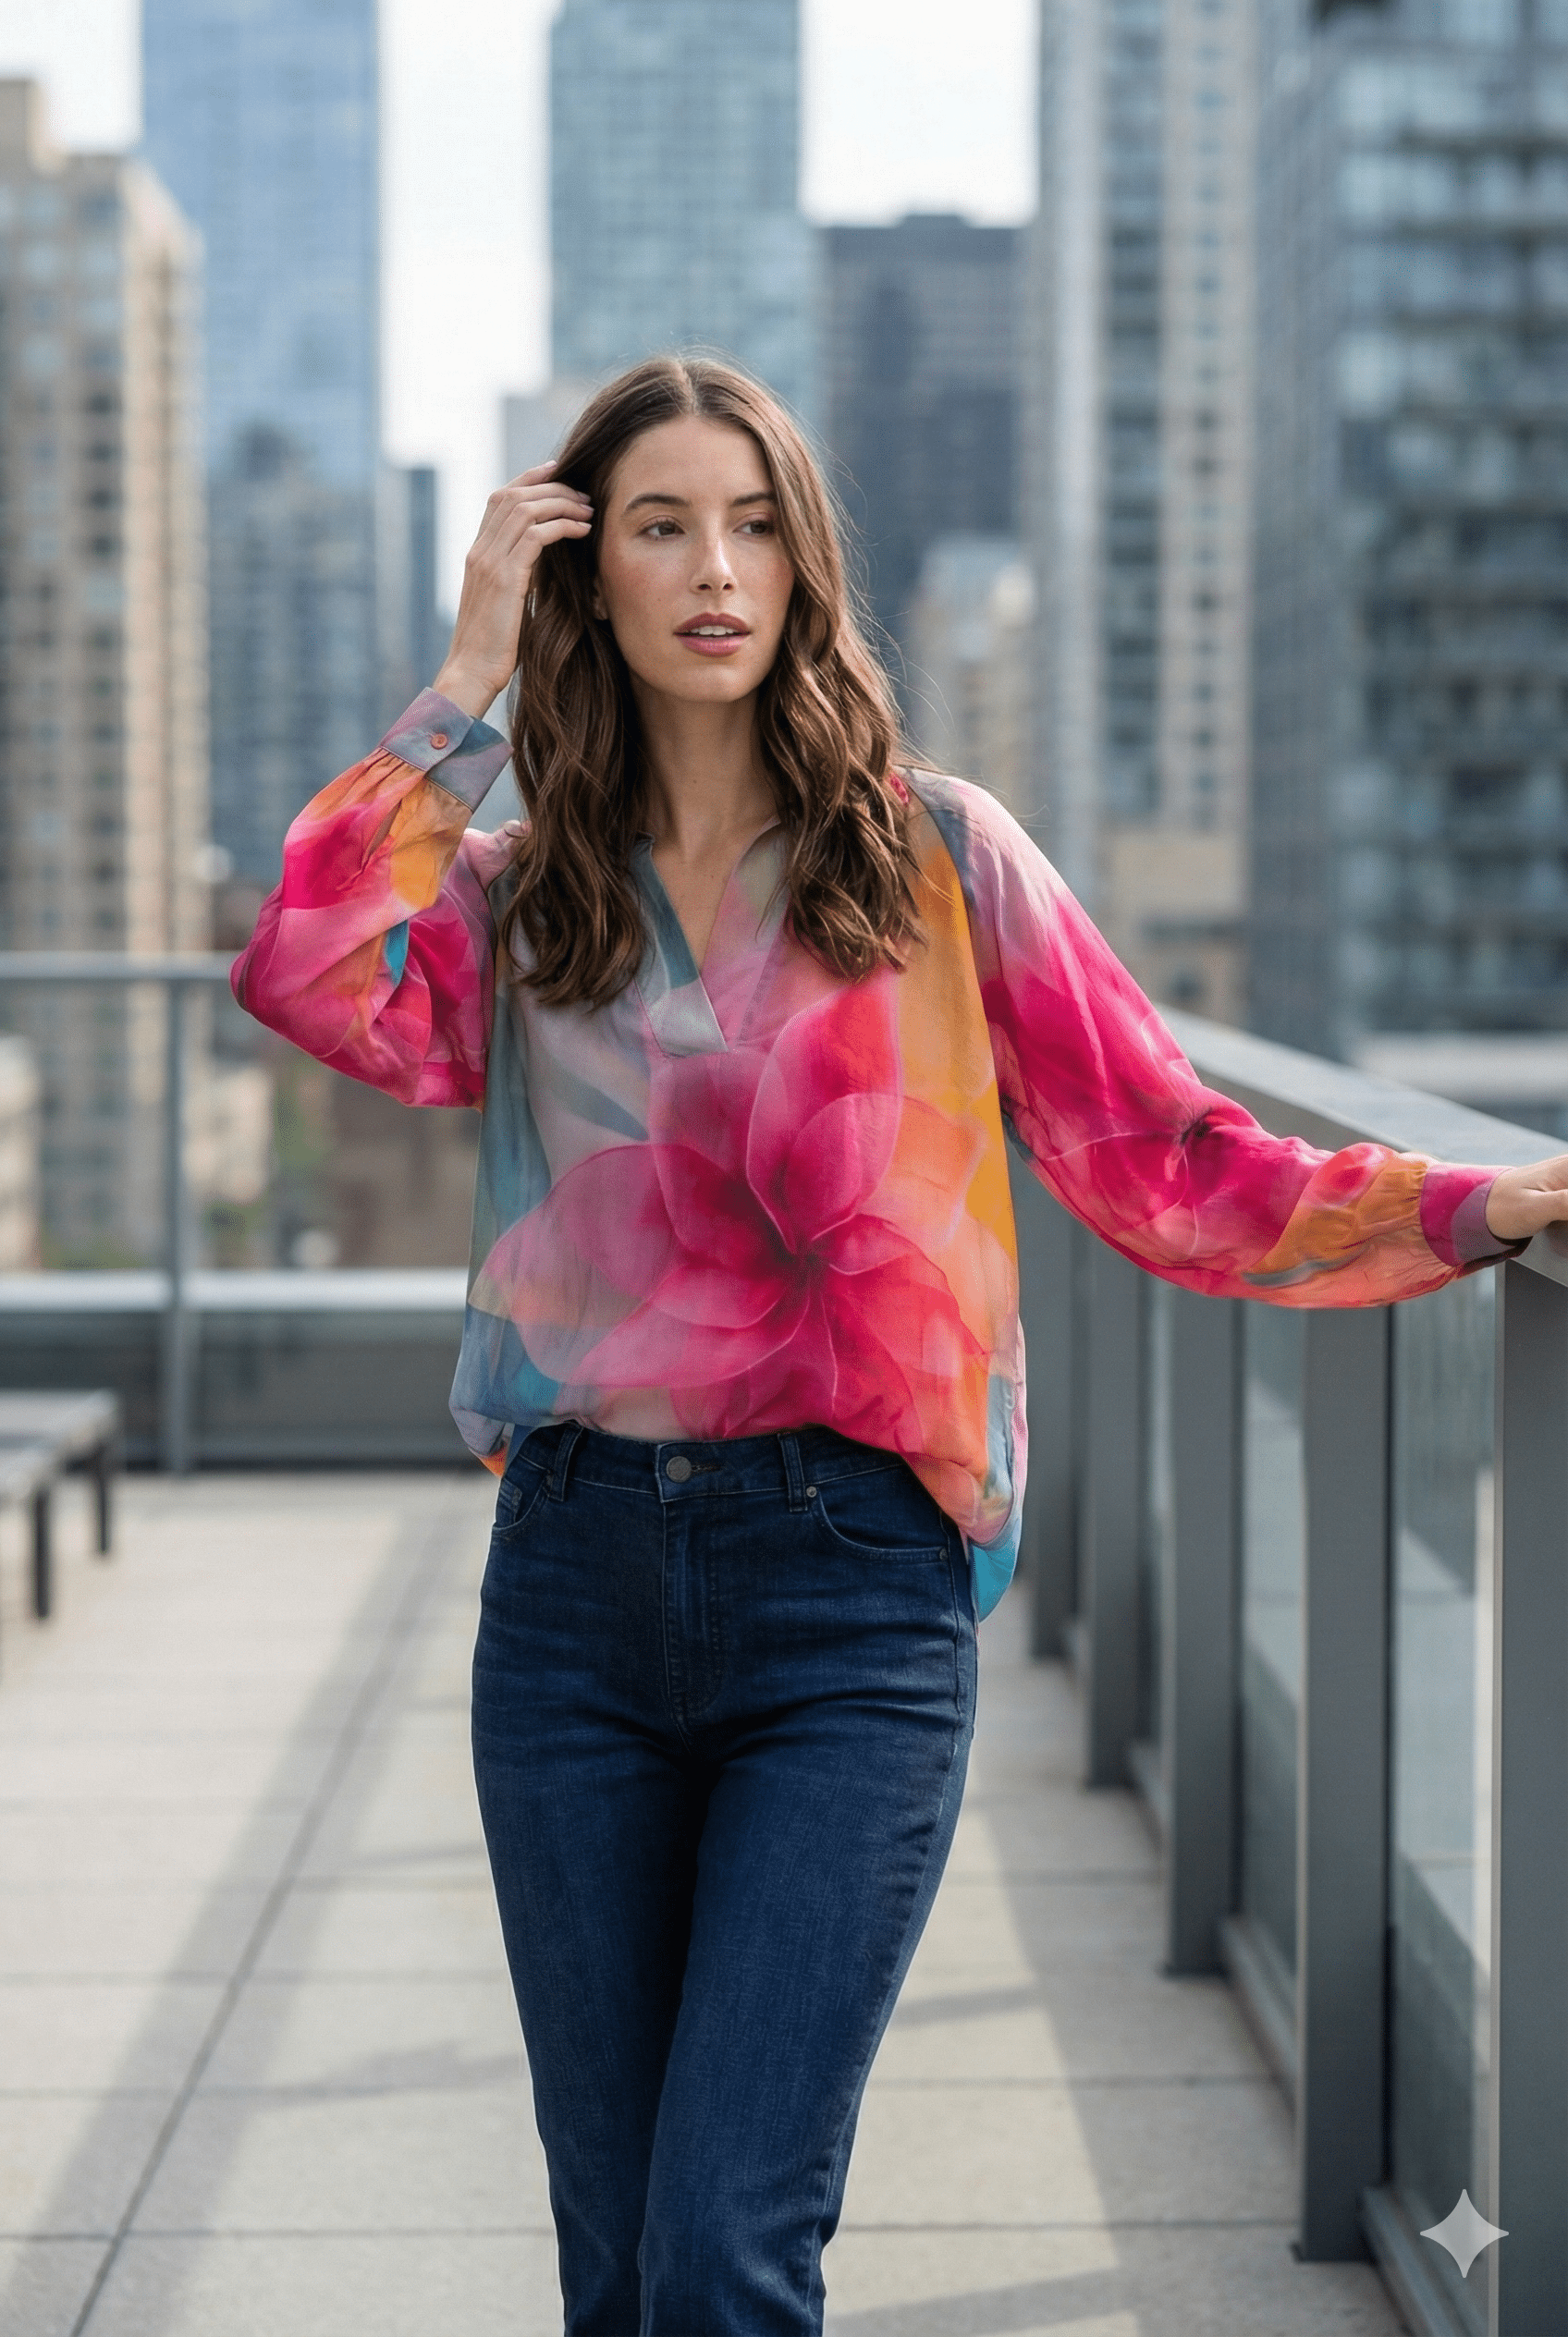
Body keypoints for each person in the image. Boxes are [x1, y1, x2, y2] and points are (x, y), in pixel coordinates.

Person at [232, 355, 1568, 2337]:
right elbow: (308, 968)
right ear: (580, 581)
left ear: (805, 567)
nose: (713, 569)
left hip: (847, 1601)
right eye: (659, 526)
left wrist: (1461, 1206)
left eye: (754, 525)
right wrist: (460, 690)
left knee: (723, 2251)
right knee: (614, 2269)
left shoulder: (930, 859)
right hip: (573, 1593)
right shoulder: (527, 900)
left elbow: (1165, 1155)